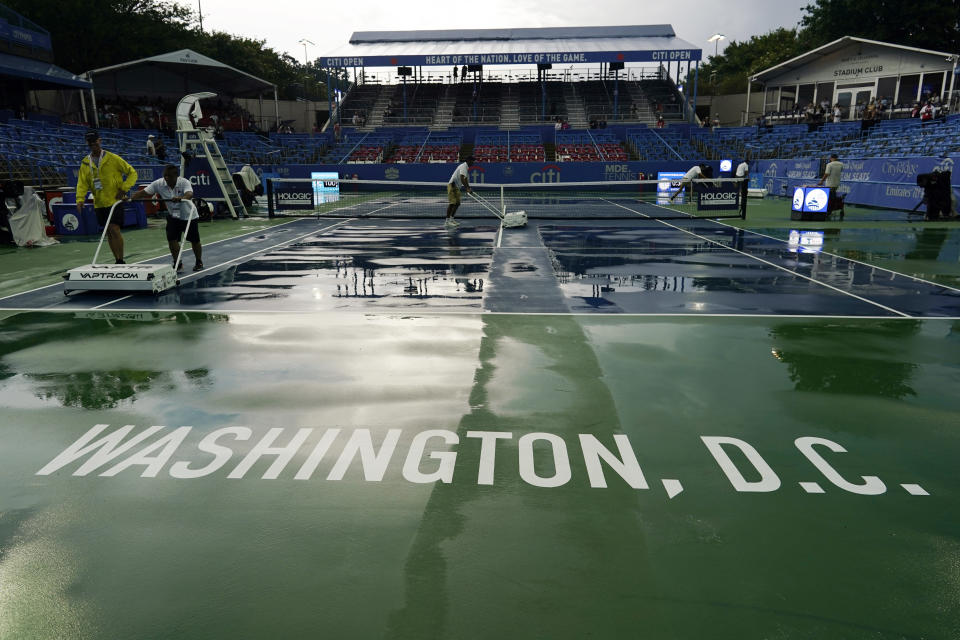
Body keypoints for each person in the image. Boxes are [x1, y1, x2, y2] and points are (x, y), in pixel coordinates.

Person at [76, 130, 137, 264]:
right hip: (99, 202)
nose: (93, 144)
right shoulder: (85, 162)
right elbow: (82, 183)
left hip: (115, 200)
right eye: (90, 143)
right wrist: (80, 199)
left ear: (100, 140)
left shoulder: (113, 158)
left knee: (114, 228)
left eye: (95, 141)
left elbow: (132, 173)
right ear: (88, 144)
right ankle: (117, 260)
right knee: (108, 231)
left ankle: (121, 259)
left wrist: (123, 189)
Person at [132, 164, 203, 271]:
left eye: (169, 176)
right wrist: (131, 197)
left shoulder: (184, 182)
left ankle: (199, 261)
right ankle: (177, 262)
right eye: (165, 176)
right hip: (174, 216)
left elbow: (189, 194)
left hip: (189, 216)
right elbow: (144, 192)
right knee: (172, 239)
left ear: (176, 176)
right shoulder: (159, 183)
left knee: (195, 241)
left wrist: (181, 198)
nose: (166, 179)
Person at [445, 155, 475, 227]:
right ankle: (447, 221)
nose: (473, 163)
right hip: (452, 185)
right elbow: (462, 178)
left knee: (457, 203)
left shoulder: (466, 168)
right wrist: (467, 188)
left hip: (457, 187)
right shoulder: (463, 166)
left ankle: (451, 219)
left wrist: (468, 187)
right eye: (472, 161)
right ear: (468, 161)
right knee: (452, 203)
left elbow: (465, 179)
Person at [818, 153, 844, 220]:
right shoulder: (841, 164)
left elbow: (827, 173)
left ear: (831, 158)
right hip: (836, 183)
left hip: (829, 184)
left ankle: (828, 211)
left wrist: (821, 181)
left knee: (829, 199)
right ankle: (831, 210)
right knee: (833, 197)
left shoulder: (829, 164)